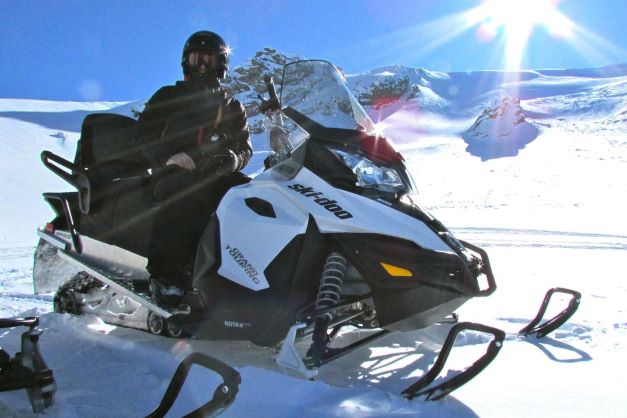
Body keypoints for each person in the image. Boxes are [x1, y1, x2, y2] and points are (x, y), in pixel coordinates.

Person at [136, 31, 252, 307]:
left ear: (221, 64)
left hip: (216, 175)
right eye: (196, 58)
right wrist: (169, 156)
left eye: (208, 59)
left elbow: (245, 148)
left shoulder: (232, 106)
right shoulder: (168, 96)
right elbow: (142, 137)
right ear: (185, 62)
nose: (201, 65)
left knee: (253, 195)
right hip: (174, 172)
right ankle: (167, 277)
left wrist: (232, 160)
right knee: (183, 193)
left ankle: (248, 274)